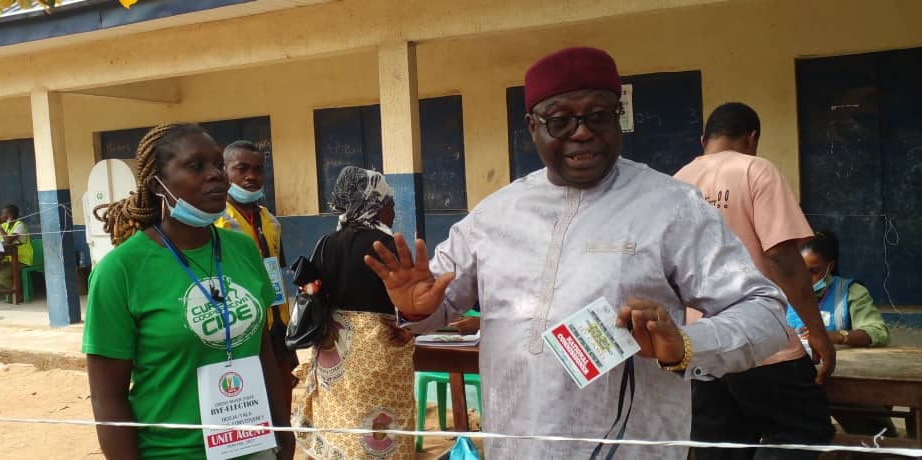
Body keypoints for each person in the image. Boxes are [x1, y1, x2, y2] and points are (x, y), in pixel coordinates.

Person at [363, 47, 791, 459]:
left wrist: (684, 345)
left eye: (598, 116)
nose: (582, 131)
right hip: (516, 448)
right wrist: (418, 311)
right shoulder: (494, 215)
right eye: (561, 120)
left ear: (618, 117)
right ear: (533, 126)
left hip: (630, 448)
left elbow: (765, 311)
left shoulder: (672, 207)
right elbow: (436, 306)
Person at [83, 123, 295, 459]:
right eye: (196, 166)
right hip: (172, 453)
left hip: (253, 445)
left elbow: (263, 351)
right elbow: (107, 397)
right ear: (158, 184)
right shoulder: (120, 271)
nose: (216, 176)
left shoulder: (241, 249)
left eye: (217, 165)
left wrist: (283, 435)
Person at [674, 102, 836, 459]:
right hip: (761, 343)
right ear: (752, 138)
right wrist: (818, 334)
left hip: (701, 346)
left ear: (704, 140)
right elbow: (782, 258)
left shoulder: (677, 182)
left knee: (722, 445)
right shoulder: (756, 170)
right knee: (804, 432)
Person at [291, 166, 416, 459]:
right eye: (389, 204)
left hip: (334, 350)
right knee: (381, 424)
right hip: (379, 351)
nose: (393, 212)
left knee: (339, 420)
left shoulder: (326, 243)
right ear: (374, 204)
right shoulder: (387, 246)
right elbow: (405, 304)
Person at [214, 140, 300, 399]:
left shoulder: (269, 220)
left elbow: (277, 270)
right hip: (241, 324)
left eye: (258, 169)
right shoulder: (217, 222)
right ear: (224, 172)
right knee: (249, 396)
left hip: (277, 324)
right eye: (242, 169)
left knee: (282, 392)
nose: (251, 176)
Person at [791, 230, 895, 441]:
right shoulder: (783, 293)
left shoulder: (850, 292)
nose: (805, 279)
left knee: (874, 433)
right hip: (797, 381)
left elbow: (878, 332)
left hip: (843, 380)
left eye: (813, 271)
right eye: (799, 271)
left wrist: (837, 336)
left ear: (830, 265)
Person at [0, 204, 34, 291]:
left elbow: (8, 240)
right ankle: (9, 293)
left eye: (3, 214)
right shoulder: (4, 226)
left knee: (1, 277)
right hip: (7, 259)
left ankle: (18, 293)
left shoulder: (20, 225)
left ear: (9, 215)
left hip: (21, 259)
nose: (1, 216)